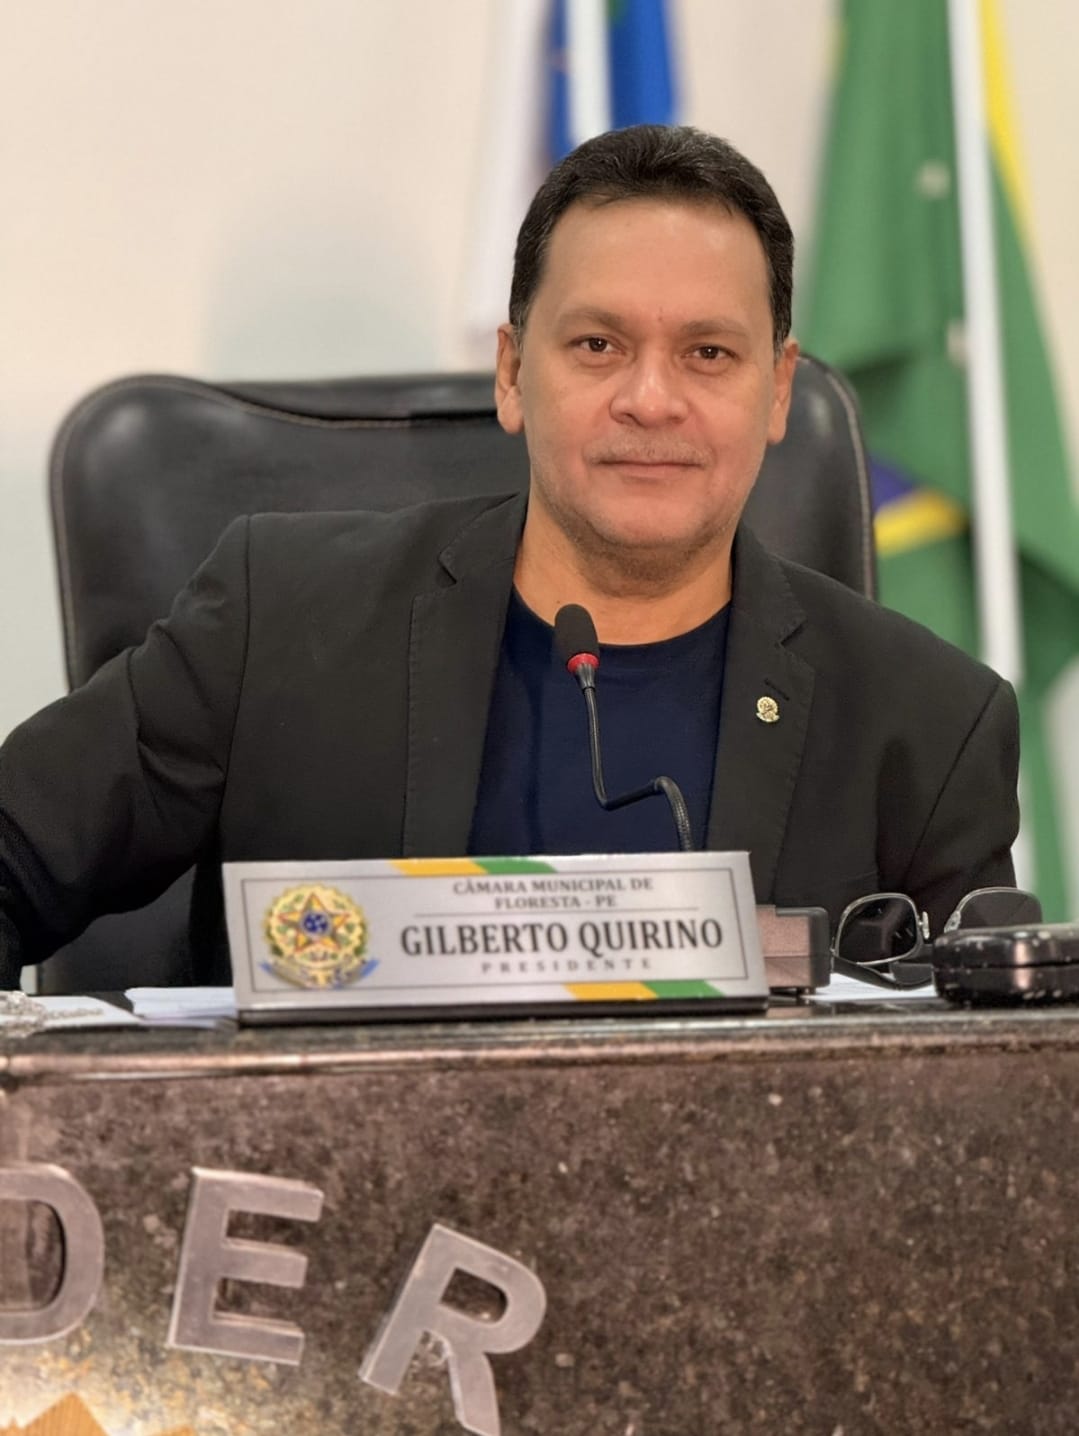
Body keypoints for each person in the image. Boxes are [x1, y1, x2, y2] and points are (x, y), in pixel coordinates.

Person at [0, 125, 1019, 988]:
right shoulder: (280, 621)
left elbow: (979, 1085)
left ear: (777, 390)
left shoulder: (925, 724)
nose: (650, 399)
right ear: (510, 372)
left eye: (707, 353)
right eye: (597, 345)